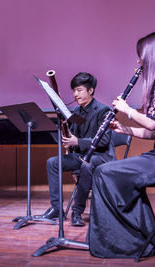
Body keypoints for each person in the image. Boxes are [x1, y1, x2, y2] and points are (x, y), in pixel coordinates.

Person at [88, 31, 155, 258]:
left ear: (153, 55)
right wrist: (124, 129)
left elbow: (151, 121)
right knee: (109, 173)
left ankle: (128, 241)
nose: (138, 61)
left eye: (141, 56)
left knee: (103, 172)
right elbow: (153, 132)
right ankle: (141, 237)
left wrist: (126, 109)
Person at [38, 72, 115, 226]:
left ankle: (77, 211)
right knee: (52, 162)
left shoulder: (103, 110)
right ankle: (56, 208)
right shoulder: (76, 113)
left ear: (90, 90)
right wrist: (68, 138)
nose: (75, 94)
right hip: (81, 156)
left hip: (101, 156)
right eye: (74, 91)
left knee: (87, 164)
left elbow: (104, 140)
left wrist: (77, 141)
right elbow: (73, 141)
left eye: (79, 90)